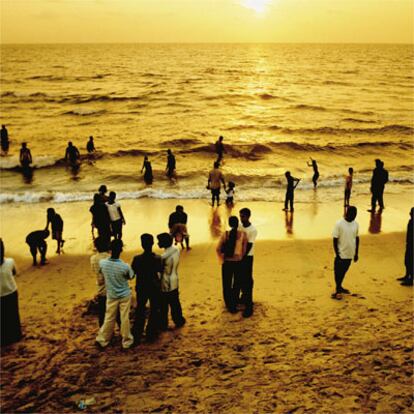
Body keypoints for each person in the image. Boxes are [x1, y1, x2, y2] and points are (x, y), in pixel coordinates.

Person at [95, 239, 134, 349]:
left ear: (110, 250)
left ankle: (103, 339)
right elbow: (131, 276)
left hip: (111, 295)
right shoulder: (125, 266)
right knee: (124, 318)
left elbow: (101, 275)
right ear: (121, 250)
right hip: (124, 295)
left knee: (109, 317)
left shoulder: (103, 263)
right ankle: (127, 340)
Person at [131, 234, 163, 345]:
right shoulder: (157, 258)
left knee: (140, 309)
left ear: (142, 244)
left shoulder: (137, 259)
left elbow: (133, 272)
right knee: (154, 309)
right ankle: (151, 332)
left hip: (141, 286)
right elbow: (160, 270)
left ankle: (137, 332)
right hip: (154, 286)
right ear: (152, 243)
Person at [216, 216, 247, 313]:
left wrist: (222, 258)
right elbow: (244, 250)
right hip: (238, 262)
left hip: (227, 262)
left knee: (226, 284)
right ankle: (235, 301)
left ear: (229, 224)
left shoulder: (225, 234)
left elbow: (218, 249)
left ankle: (229, 304)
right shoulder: (243, 234)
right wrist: (240, 257)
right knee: (237, 283)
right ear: (237, 223)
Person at [157, 233, 186, 330]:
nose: (158, 243)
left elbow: (160, 270)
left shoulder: (163, 257)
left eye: (159, 241)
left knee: (164, 305)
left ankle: (163, 324)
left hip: (166, 281)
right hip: (174, 278)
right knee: (175, 302)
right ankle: (179, 320)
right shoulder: (176, 250)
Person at [332, 206, 359, 299]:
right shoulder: (339, 223)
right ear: (348, 213)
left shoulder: (355, 224)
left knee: (344, 272)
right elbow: (335, 239)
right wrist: (337, 253)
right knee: (338, 272)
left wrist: (356, 253)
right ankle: (338, 290)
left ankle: (340, 287)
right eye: (353, 214)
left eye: (356, 215)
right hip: (341, 254)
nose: (355, 217)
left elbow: (357, 238)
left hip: (350, 253)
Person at [236, 208, 258, 317]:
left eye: (243, 216)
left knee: (248, 279)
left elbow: (249, 245)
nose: (241, 218)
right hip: (240, 256)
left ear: (248, 216)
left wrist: (242, 257)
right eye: (240, 216)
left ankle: (249, 306)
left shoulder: (252, 230)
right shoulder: (240, 226)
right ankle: (244, 297)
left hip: (248, 256)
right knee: (240, 278)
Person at [0, 239, 22, 346]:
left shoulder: (10, 261)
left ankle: (9, 337)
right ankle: (14, 335)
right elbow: (15, 273)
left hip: (10, 292)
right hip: (11, 291)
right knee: (11, 315)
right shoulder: (9, 261)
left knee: (7, 316)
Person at [90, 236, 111, 327]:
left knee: (102, 312)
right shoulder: (109, 257)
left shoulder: (93, 258)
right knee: (116, 313)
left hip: (101, 288)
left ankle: (102, 331)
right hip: (111, 288)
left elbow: (94, 270)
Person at [397, 208, 414, 286]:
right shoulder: (411, 221)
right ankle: (407, 275)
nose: (410, 213)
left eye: (411, 212)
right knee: (407, 261)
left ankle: (410, 279)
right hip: (409, 244)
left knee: (411, 262)